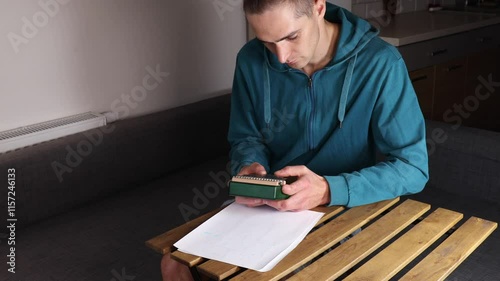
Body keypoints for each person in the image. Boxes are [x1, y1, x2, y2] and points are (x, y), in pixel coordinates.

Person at [162, 0, 428, 279]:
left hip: (342, 204)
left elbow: (413, 169)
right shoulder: (250, 60)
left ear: (318, 7)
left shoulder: (381, 63)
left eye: (291, 37)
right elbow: (246, 138)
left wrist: (328, 189)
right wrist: (249, 165)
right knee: (174, 264)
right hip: (270, 207)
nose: (280, 56)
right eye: (266, 42)